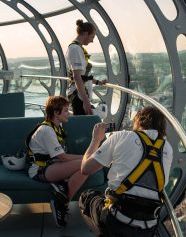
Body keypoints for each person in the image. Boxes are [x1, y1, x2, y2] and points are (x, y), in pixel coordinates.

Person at [79, 106, 173, 237]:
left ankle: (103, 233)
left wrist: (96, 139)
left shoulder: (121, 136)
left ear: (138, 121)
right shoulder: (167, 148)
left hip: (117, 221)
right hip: (148, 228)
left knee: (86, 197)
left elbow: (85, 169)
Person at [26, 95, 88, 228]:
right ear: (55, 112)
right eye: (66, 110)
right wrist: (86, 156)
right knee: (86, 164)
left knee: (86, 169)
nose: (69, 113)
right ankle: (60, 195)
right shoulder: (47, 130)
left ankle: (61, 203)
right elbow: (63, 158)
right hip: (39, 170)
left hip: (52, 166)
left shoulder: (57, 127)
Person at [65, 19, 107, 115]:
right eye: (92, 36)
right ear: (85, 34)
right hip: (79, 97)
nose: (92, 40)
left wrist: (97, 82)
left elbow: (82, 76)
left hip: (79, 96)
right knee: (82, 126)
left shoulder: (76, 48)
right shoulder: (75, 49)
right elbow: (77, 77)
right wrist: (86, 101)